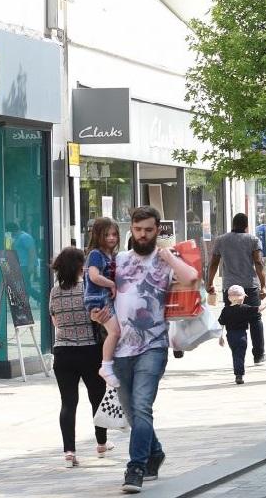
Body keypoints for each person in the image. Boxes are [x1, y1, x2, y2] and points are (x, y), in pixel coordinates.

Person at [93, 205, 198, 492]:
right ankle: (155, 451)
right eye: (138, 230)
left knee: (141, 407)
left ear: (156, 230)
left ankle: (135, 468)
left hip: (153, 345)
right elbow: (104, 295)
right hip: (120, 347)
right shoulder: (118, 260)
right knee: (132, 412)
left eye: (148, 230)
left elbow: (191, 278)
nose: (142, 235)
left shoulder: (165, 258)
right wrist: (99, 315)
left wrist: (168, 256)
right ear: (131, 229)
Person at [49, 247, 111, 468]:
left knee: (68, 403)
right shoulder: (87, 288)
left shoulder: (54, 291)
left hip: (63, 352)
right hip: (89, 350)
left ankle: (69, 452)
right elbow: (98, 317)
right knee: (97, 397)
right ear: (79, 267)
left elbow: (55, 321)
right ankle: (101, 443)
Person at [206, 213, 266, 366]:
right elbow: (259, 263)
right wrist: (263, 285)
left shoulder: (221, 240)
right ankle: (258, 355)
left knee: (232, 320)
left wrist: (209, 283)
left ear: (232, 224)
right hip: (250, 285)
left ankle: (237, 355)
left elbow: (213, 263)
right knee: (255, 318)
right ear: (246, 225)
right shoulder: (253, 240)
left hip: (230, 287)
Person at [84, 217, 122, 389]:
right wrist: (111, 284)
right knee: (114, 332)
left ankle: (109, 364)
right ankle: (106, 366)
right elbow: (94, 276)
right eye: (107, 235)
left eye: (114, 234)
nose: (111, 238)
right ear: (98, 235)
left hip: (104, 298)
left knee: (115, 332)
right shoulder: (96, 254)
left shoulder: (110, 255)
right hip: (98, 298)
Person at [217, 285, 266, 384]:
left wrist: (220, 337)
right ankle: (239, 375)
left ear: (229, 298)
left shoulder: (225, 310)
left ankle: (238, 373)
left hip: (230, 336)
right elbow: (260, 308)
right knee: (239, 355)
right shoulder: (245, 308)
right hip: (242, 336)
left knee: (235, 354)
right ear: (243, 297)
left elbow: (221, 324)